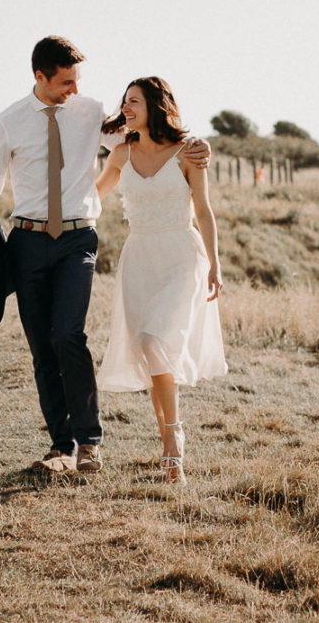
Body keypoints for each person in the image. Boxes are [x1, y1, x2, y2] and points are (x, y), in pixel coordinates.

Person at [0, 38, 209, 474]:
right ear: (40, 77)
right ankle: (61, 447)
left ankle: (90, 444)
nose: (75, 90)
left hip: (77, 239)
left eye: (77, 80)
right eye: (66, 82)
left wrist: (196, 145)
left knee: (68, 335)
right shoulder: (9, 122)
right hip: (27, 241)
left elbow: (145, 137)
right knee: (42, 347)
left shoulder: (89, 110)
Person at [95, 76, 227, 483]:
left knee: (156, 341)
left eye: (134, 101)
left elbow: (203, 210)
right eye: (124, 102)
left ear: (156, 105)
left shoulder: (189, 152)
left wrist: (215, 264)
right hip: (139, 260)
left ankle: (174, 441)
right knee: (150, 351)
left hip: (181, 257)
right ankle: (169, 444)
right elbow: (92, 197)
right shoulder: (121, 153)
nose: (126, 107)